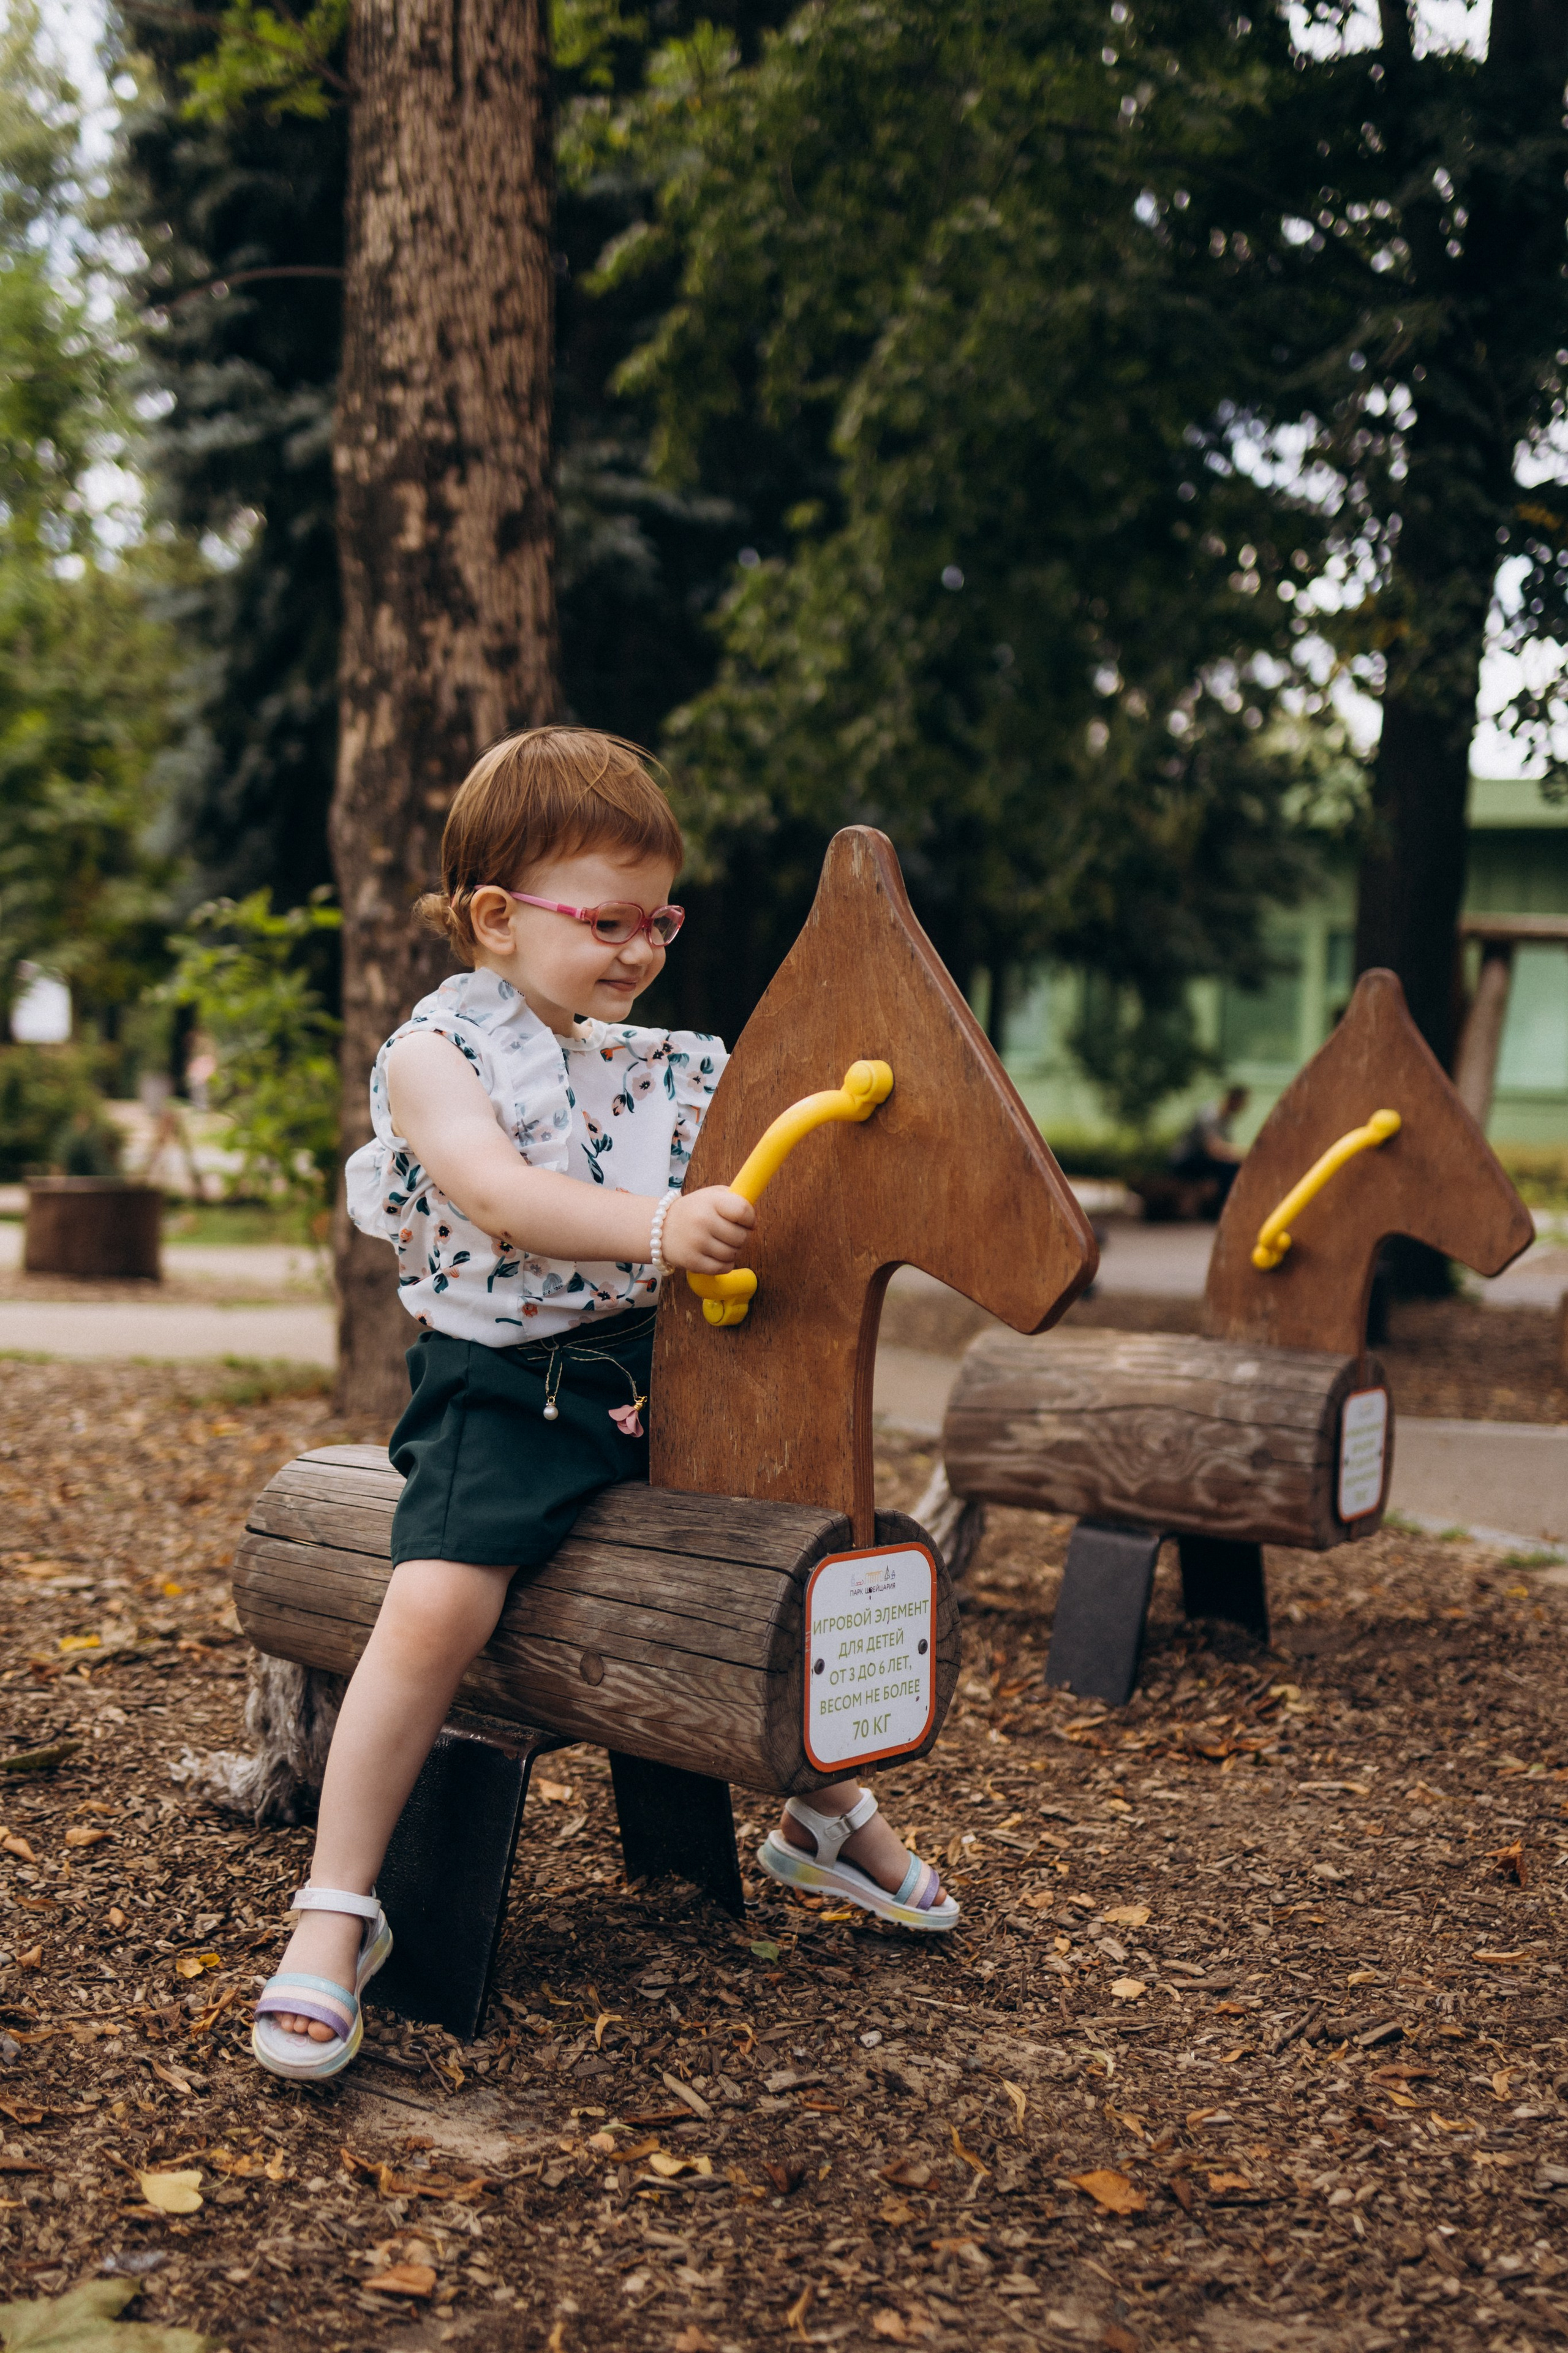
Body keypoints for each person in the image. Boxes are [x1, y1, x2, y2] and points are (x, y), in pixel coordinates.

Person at [252, 728, 955, 2082]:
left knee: (741, 1581)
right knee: (438, 1609)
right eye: (607, 921)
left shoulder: (653, 1061)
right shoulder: (440, 1054)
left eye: (657, 921)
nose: (637, 949)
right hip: (506, 1394)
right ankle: (334, 1912)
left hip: (657, 1375)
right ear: (499, 918)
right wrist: (658, 1224)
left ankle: (822, 1815)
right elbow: (501, 1195)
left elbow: (766, 1142)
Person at [1168, 1083, 1250, 1211]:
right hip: (1185, 1159)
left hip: (1201, 1159)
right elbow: (1214, 1150)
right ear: (1233, 1100)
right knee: (1229, 1170)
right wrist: (1245, 1153)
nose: (1243, 1107)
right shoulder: (1210, 1116)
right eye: (1242, 1103)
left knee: (1232, 1167)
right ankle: (1222, 1210)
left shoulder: (1226, 1119)